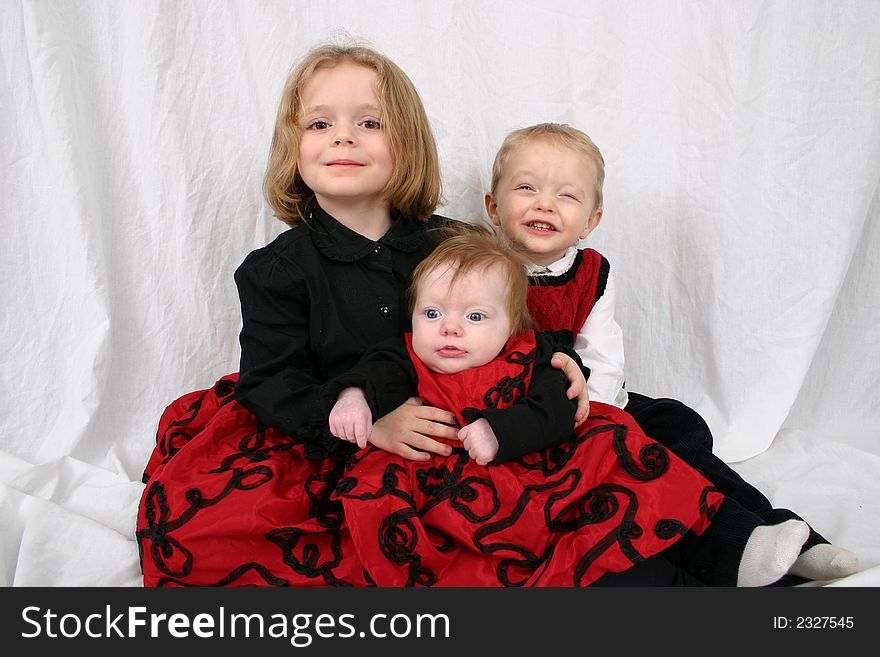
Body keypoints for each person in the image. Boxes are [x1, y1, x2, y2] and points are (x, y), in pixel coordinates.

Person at [135, 44, 587, 587]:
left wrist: (560, 360)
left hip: (453, 425)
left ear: (408, 143)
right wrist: (371, 426)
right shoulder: (277, 269)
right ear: (293, 148)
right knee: (208, 532)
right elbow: (269, 382)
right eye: (320, 122)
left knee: (583, 487)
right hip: (324, 432)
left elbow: (509, 324)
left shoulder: (454, 245)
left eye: (369, 122)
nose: (343, 136)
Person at [484, 122, 859, 584]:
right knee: (647, 476)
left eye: (567, 196)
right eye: (526, 188)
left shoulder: (593, 272)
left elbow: (601, 355)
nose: (544, 203)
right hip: (533, 421)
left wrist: (599, 416)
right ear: (493, 207)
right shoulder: (480, 269)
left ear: (591, 220)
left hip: (598, 408)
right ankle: (733, 554)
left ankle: (787, 535)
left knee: (678, 433)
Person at [324, 224, 734, 586]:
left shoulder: (529, 353)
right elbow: (372, 375)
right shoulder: (405, 355)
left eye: (476, 317)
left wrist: (500, 431)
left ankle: (714, 557)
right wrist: (354, 398)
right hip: (444, 489)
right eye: (431, 312)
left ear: (511, 325)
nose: (449, 327)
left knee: (615, 441)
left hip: (533, 470)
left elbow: (558, 408)